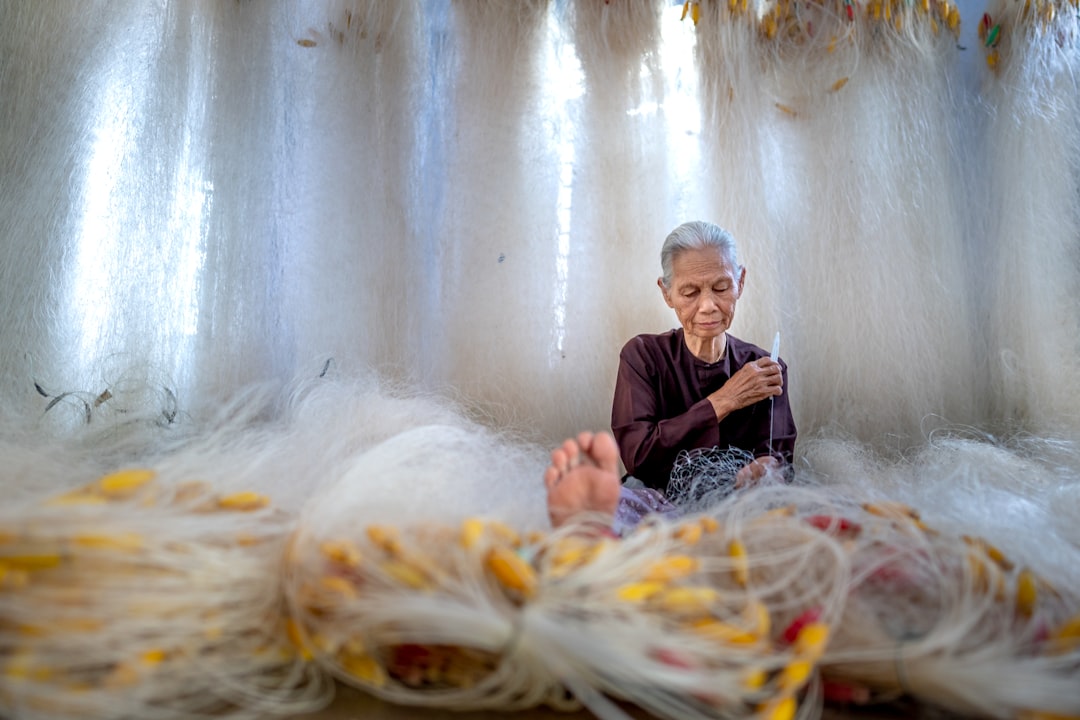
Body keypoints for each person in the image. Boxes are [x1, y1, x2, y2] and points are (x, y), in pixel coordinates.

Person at [611, 221, 796, 494]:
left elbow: (779, 459)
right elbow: (639, 457)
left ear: (740, 283)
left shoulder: (764, 369)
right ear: (667, 293)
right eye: (690, 292)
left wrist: (770, 469)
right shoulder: (642, 357)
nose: (708, 306)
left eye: (721, 288)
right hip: (656, 503)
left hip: (738, 507)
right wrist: (726, 399)